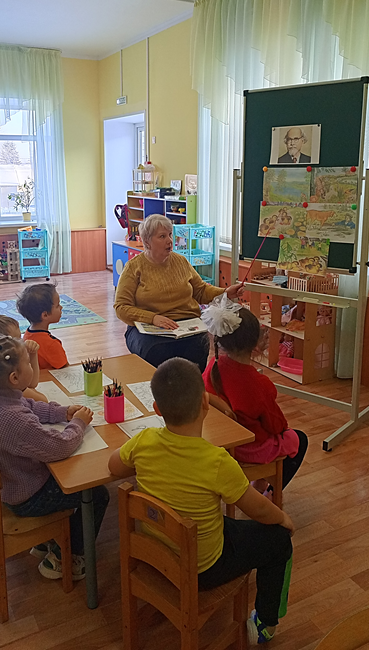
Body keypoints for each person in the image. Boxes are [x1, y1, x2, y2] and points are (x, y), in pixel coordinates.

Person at [108, 358, 294, 645]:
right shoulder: (217, 461)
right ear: (206, 402)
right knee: (279, 541)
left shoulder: (143, 440)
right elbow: (258, 508)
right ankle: (265, 624)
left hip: (156, 550)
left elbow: (114, 466)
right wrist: (282, 518)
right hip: (202, 568)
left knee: (225, 524)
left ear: (157, 409)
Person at [0, 335, 109, 580]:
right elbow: (60, 447)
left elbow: (29, 405)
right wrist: (78, 423)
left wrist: (62, 413)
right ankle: (64, 557)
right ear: (14, 378)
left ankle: (46, 540)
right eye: (28, 362)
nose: (31, 365)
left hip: (12, 484)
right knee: (97, 494)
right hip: (26, 496)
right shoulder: (13, 420)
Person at [202, 295, 308, 496]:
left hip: (220, 443)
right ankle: (269, 495)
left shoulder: (212, 368)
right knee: (297, 439)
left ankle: (259, 485)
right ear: (256, 346)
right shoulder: (258, 384)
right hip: (246, 449)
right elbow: (276, 426)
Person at [114, 214, 243, 372]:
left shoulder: (181, 261)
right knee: (157, 352)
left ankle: (193, 388)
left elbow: (201, 290)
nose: (169, 240)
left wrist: (225, 292)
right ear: (147, 241)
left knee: (199, 347)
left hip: (186, 325)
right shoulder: (134, 267)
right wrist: (153, 318)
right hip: (147, 328)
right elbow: (121, 307)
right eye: (162, 236)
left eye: (170, 235)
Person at [0, 314, 48, 404]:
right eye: (16, 340)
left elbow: (31, 384)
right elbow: (42, 401)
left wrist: (32, 354)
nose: (23, 343)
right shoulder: (5, 384)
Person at [16, 282, 68, 370]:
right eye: (57, 305)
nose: (61, 307)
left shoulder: (27, 335)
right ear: (45, 315)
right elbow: (66, 369)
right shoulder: (51, 344)